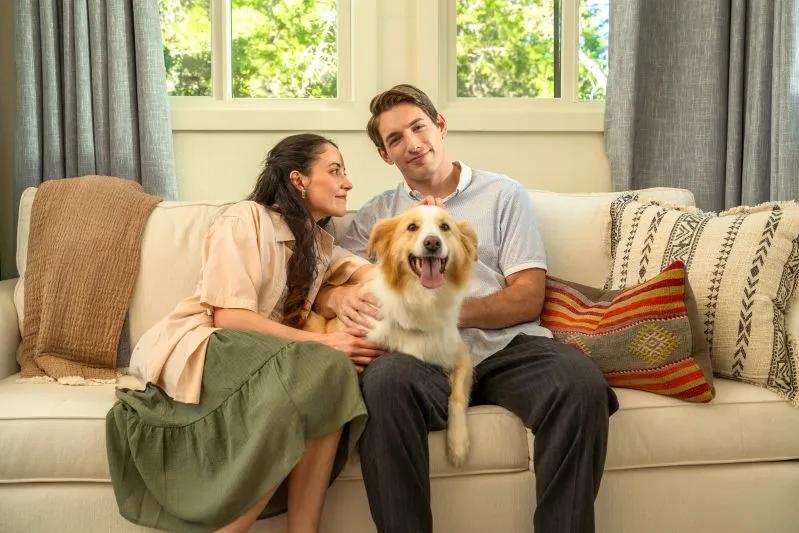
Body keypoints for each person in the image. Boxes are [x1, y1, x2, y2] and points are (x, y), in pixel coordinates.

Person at [321, 85, 620, 533]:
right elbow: (326, 279)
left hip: (504, 347)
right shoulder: (377, 216)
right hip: (419, 356)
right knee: (383, 383)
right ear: (386, 155)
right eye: (396, 139)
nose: (412, 143)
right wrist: (334, 297)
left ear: (440, 126)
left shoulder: (503, 195)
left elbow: (528, 296)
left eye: (418, 127)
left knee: (580, 384)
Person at [106, 133, 382, 533]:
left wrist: (424, 237)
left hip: (263, 356)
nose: (348, 183)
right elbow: (230, 318)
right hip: (209, 344)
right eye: (335, 170)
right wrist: (326, 342)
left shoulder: (320, 245)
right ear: (299, 179)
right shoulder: (245, 218)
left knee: (333, 376)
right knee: (328, 364)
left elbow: (378, 275)